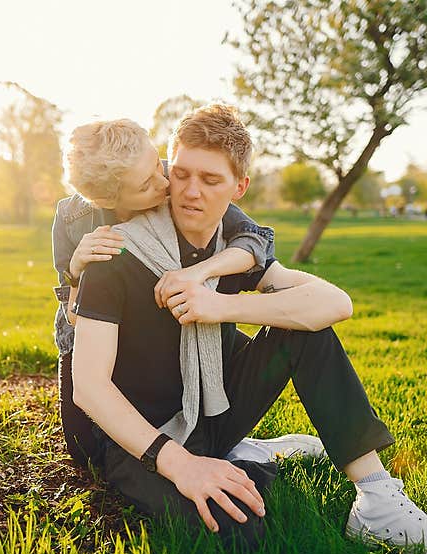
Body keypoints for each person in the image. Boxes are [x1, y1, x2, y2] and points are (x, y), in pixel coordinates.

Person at [71, 103, 427, 554]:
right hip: (145, 437)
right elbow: (90, 389)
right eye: (180, 174)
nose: (190, 193)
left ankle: (377, 499)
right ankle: (251, 455)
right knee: (241, 530)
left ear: (239, 188)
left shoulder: (234, 250)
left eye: (211, 180)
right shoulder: (113, 254)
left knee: (304, 325)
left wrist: (219, 304)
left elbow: (335, 304)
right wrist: (182, 466)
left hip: (214, 417)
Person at [51, 118, 278, 469]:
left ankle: (224, 440)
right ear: (108, 200)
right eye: (146, 185)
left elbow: (252, 237)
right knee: (86, 450)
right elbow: (74, 315)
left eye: (158, 164)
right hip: (91, 338)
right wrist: (77, 269)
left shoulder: (180, 177)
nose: (165, 183)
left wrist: (203, 273)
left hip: (159, 326)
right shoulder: (75, 218)